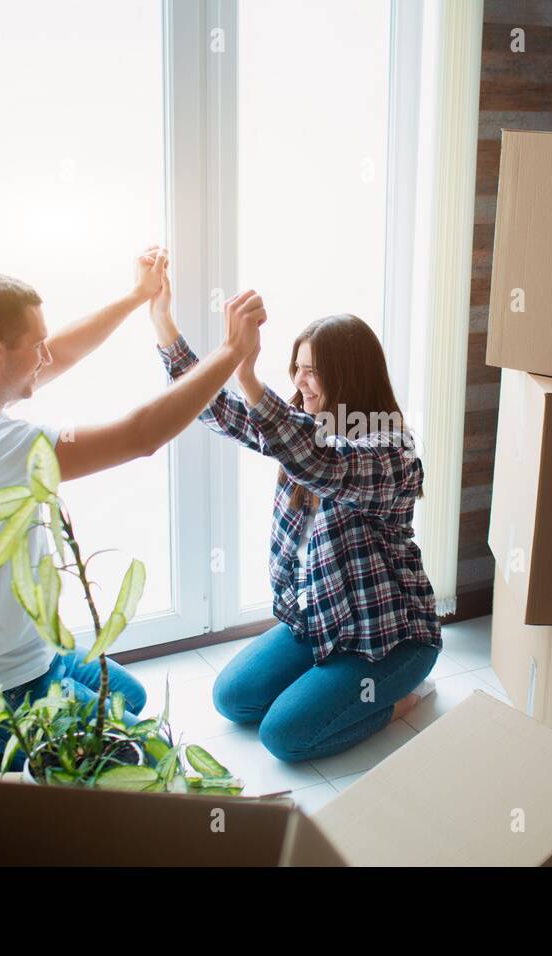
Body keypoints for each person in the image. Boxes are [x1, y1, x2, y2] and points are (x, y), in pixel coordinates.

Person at [0, 248, 266, 771]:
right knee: (141, 761)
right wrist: (232, 351)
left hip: (21, 653)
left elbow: (62, 351)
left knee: (129, 700)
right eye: (34, 347)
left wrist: (137, 297)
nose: (45, 357)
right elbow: (139, 435)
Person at [149, 253, 441, 763]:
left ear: (352, 378)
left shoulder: (393, 451)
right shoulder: (304, 430)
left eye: (314, 373)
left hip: (388, 639)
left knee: (283, 737)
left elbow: (324, 464)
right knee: (232, 698)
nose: (301, 383)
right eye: (298, 369)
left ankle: (397, 701)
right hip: (319, 619)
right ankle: (327, 684)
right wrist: (163, 322)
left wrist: (247, 374)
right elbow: (219, 413)